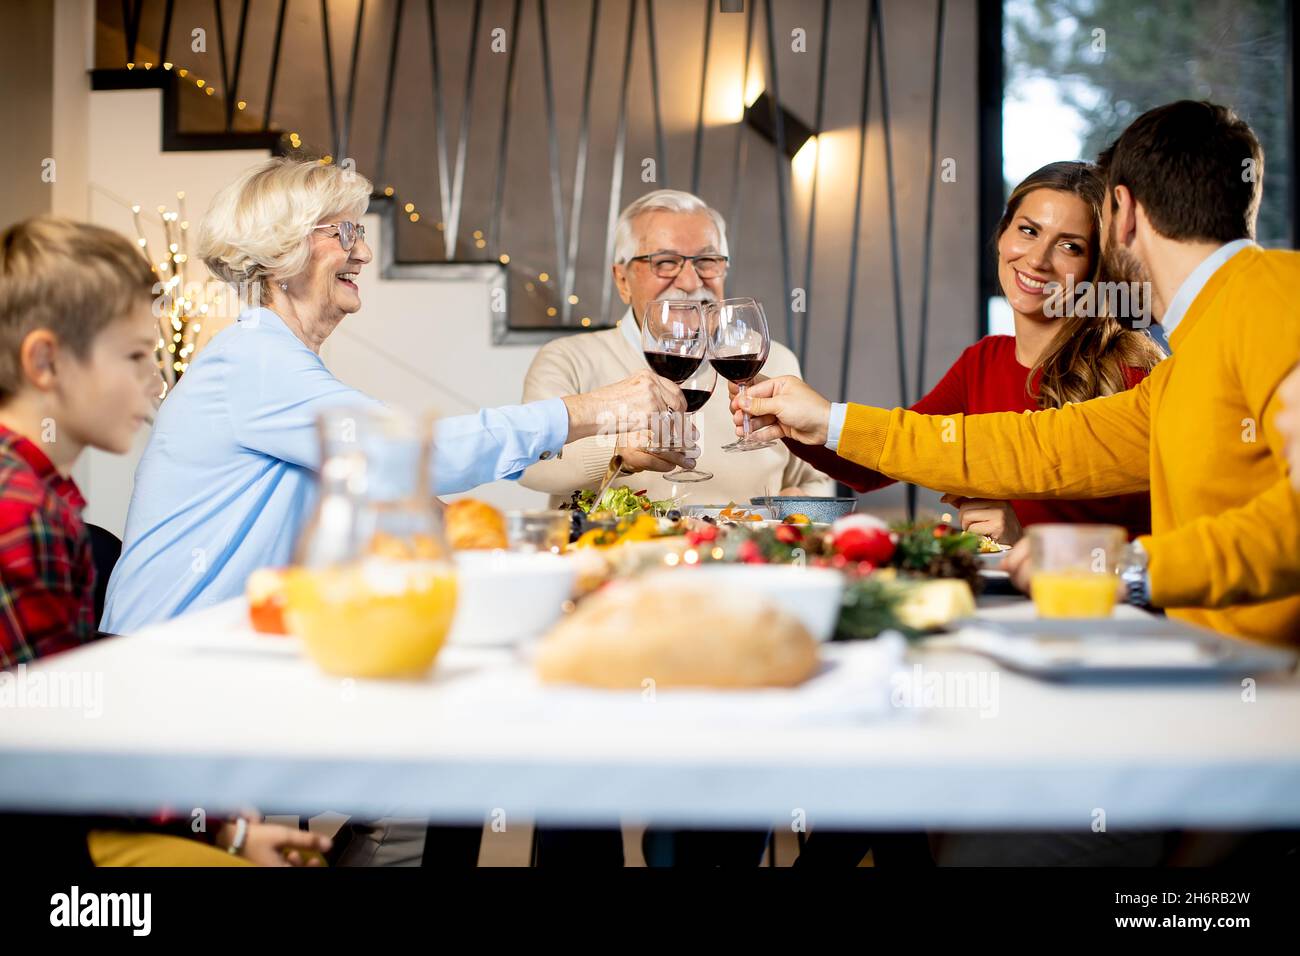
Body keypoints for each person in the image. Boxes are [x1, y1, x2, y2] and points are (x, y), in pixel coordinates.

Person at [732, 99, 1300, 650]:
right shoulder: (1185, 366)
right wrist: (828, 421)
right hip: (1207, 672)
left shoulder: (1273, 295)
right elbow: (1031, 447)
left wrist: (1130, 566)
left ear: (1121, 213)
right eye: (1027, 231)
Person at [101, 157, 685, 635]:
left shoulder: (277, 364)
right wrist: (591, 410)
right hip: (164, 661)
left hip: (217, 653)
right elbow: (426, 453)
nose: (364, 253)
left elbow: (402, 494)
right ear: (282, 249)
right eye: (346, 233)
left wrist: (548, 552)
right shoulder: (252, 363)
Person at [0, 215, 330, 866]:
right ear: (45, 362)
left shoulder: (43, 498)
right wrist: (219, 827)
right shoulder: (22, 516)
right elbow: (57, 746)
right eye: (134, 357)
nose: (157, 382)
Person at [784, 161, 1163, 542]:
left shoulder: (1132, 370)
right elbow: (875, 469)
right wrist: (787, 418)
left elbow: (1166, 542)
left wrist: (1026, 538)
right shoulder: (983, 361)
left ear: (1095, 267)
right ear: (1002, 236)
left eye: (1070, 246)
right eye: (1028, 231)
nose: (1037, 259)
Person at [519, 189, 832, 507]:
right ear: (622, 280)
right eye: (666, 262)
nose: (691, 281)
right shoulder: (568, 359)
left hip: (739, 554)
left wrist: (802, 503)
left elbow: (814, 479)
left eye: (707, 261)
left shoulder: (775, 361)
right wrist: (617, 452)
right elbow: (529, 464)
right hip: (616, 554)